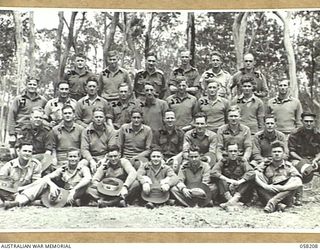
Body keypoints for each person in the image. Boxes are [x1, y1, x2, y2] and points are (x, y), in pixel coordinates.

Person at [2, 149, 91, 209]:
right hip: (65, 192)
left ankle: (24, 202)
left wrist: (74, 190)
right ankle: (21, 202)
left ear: (79, 158)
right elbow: (46, 177)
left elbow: (88, 178)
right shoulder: (63, 169)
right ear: (67, 158)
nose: (73, 159)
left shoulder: (83, 168)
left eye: (75, 157)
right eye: (70, 157)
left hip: (78, 192)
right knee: (49, 191)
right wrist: (52, 185)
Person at [255, 141, 302, 213]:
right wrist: (265, 186)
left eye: (279, 152)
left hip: (285, 196)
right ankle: (278, 205)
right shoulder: (265, 164)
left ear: (283, 154)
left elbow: (299, 182)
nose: (277, 154)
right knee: (257, 176)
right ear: (271, 154)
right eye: (274, 152)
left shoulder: (288, 166)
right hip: (269, 193)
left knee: (294, 180)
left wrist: (283, 188)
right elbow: (254, 175)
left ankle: (272, 203)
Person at [288, 112, 320, 205]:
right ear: (302, 121)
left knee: (311, 166)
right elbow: (291, 151)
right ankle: (298, 196)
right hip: (298, 159)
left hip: (314, 159)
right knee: (302, 169)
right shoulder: (295, 134)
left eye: (311, 121)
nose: (309, 123)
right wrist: (302, 160)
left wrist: (316, 160)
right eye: (306, 121)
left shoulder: (318, 134)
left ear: (314, 122)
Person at [211, 143, 255, 209]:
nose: (233, 153)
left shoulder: (242, 161)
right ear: (227, 152)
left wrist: (240, 181)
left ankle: (232, 201)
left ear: (238, 152)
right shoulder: (223, 161)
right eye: (231, 151)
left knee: (249, 180)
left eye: (235, 151)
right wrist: (228, 180)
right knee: (220, 179)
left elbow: (251, 172)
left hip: (239, 190)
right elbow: (213, 172)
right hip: (226, 189)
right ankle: (232, 201)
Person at [7, 76, 47, 147]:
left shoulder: (42, 100)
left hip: (35, 133)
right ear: (26, 85)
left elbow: (46, 116)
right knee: (17, 152)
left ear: (37, 86)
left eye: (34, 84)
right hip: (20, 131)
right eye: (30, 84)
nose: (32, 86)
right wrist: (12, 134)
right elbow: (11, 116)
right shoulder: (19, 99)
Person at [81, 107, 117, 173]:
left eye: (101, 117)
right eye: (96, 117)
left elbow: (111, 148)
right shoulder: (86, 131)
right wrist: (91, 161)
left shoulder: (110, 131)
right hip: (91, 157)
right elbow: (84, 149)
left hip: (106, 157)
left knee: (103, 169)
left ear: (104, 119)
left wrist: (105, 159)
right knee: (81, 165)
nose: (98, 119)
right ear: (92, 119)